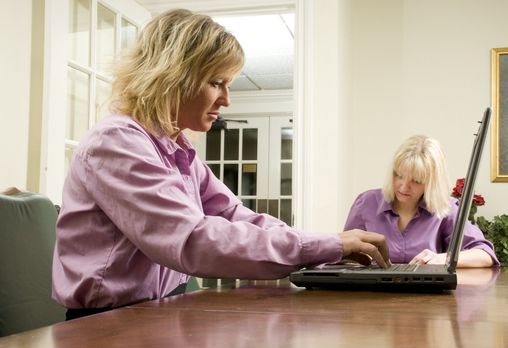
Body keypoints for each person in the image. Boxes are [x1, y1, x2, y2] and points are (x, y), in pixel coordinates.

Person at [52, 8, 390, 320]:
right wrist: (323, 246)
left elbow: (236, 216)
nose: (226, 99)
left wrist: (328, 246)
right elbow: (193, 241)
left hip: (157, 311)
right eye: (216, 83)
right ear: (172, 76)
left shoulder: (178, 151)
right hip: (104, 326)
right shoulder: (117, 142)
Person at [343, 135, 499, 267]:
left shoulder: (446, 208)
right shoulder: (366, 203)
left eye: (416, 181)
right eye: (399, 175)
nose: (404, 187)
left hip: (427, 298)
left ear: (432, 183)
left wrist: (442, 258)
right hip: (370, 295)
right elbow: (344, 254)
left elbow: (485, 254)